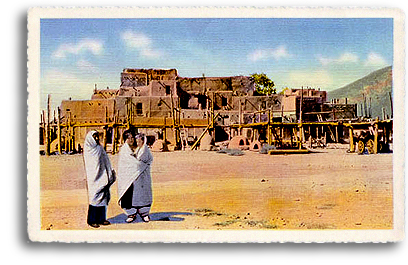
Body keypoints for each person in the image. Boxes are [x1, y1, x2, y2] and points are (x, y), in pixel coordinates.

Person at [117, 131, 153, 223]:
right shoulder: (125, 150)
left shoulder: (144, 149)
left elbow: (147, 160)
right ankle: (131, 213)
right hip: (128, 177)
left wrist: (140, 165)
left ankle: (144, 213)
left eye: (133, 138)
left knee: (143, 194)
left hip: (142, 176)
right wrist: (138, 165)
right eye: (129, 138)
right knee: (130, 194)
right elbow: (128, 163)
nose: (132, 140)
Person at [83, 130, 116, 228]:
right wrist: (97, 174)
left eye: (97, 137)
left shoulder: (100, 148)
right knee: (94, 197)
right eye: (95, 137)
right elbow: (92, 164)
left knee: (103, 197)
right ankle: (92, 220)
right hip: (94, 177)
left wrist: (109, 172)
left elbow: (106, 160)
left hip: (103, 175)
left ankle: (101, 219)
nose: (97, 139)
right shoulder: (88, 149)